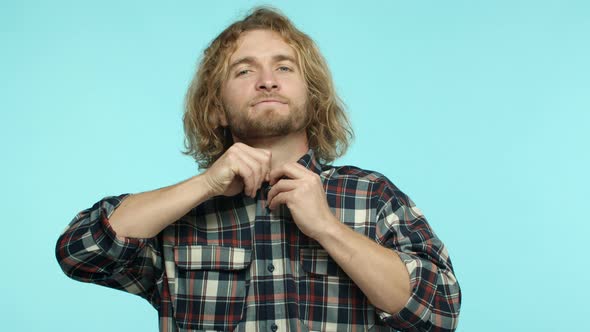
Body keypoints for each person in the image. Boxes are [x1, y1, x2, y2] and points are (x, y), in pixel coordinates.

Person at [55, 6, 461, 332]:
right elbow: (80, 252)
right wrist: (205, 184)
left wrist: (327, 228)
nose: (267, 81)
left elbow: (439, 313)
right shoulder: (179, 217)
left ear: (313, 98)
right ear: (216, 109)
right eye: (244, 70)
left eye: (284, 67)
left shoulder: (371, 197)